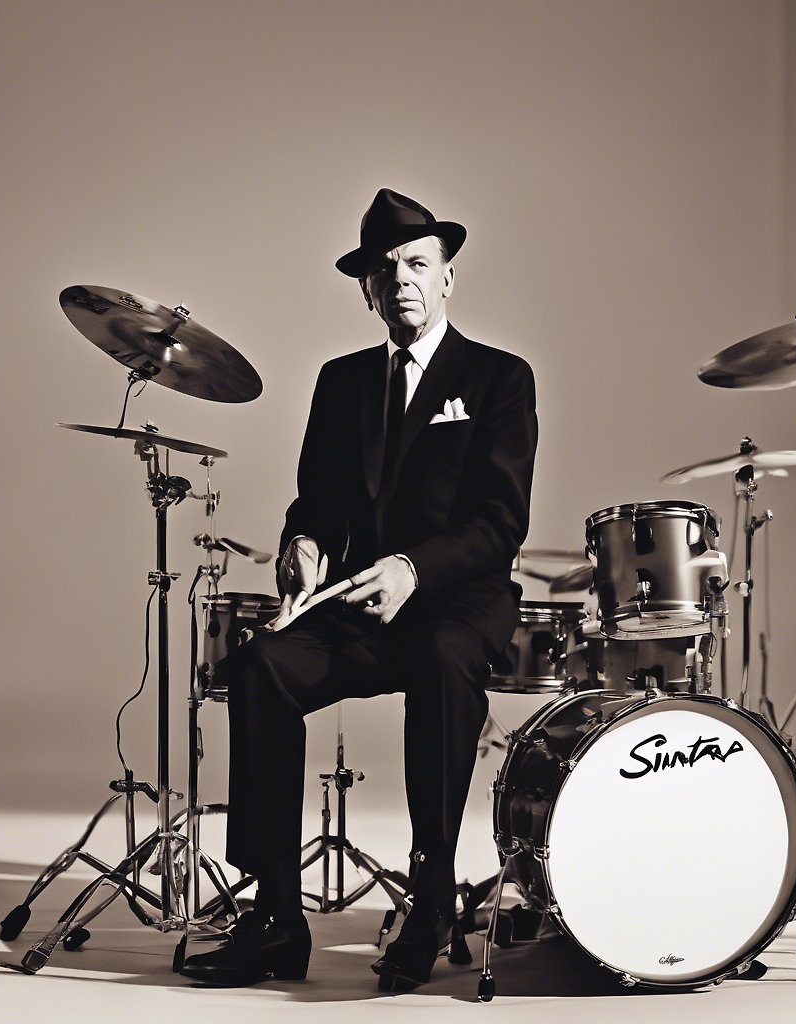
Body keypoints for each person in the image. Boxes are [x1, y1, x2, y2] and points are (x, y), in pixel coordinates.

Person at [180, 188, 538, 989]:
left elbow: (500, 522)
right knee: (260, 665)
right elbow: (315, 501)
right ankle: (276, 916)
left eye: (417, 264)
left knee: (444, 659)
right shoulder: (340, 381)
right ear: (367, 289)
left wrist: (416, 568)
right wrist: (301, 546)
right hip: (360, 605)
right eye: (385, 269)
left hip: (457, 603)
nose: (400, 278)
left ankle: (433, 897)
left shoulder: (499, 377)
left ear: (447, 278)